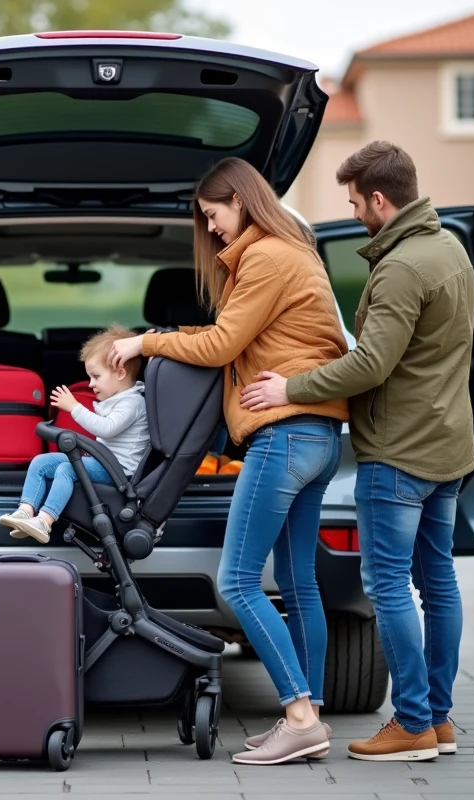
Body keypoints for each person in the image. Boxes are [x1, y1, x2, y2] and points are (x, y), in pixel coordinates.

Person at [239, 140, 474, 762]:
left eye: (355, 202)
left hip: (399, 452)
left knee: (388, 584)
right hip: (448, 446)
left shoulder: (401, 267)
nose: (356, 212)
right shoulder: (452, 248)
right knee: (439, 583)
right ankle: (439, 721)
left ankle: (413, 724)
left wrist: (291, 386)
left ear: (379, 199)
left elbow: (370, 364)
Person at [108, 157, 349, 766]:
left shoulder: (266, 256)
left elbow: (220, 344)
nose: (211, 229)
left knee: (238, 581)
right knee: (298, 583)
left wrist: (144, 342)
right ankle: (310, 718)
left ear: (240, 201)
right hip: (320, 435)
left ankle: (296, 713)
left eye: (213, 215)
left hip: (284, 436)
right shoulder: (299, 251)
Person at [0, 323, 148, 544]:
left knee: (67, 469)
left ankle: (45, 520)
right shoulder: (117, 398)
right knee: (42, 462)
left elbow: (106, 428)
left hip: (119, 471)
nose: (91, 384)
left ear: (120, 372)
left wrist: (75, 407)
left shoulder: (133, 402)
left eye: (96, 377)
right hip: (104, 462)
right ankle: (25, 511)